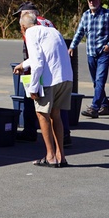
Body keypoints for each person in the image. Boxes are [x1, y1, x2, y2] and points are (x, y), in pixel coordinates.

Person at [15, 11, 73, 167]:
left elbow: (38, 62)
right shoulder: (52, 31)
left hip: (50, 80)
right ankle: (61, 156)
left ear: (23, 26)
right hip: (66, 78)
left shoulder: (31, 32)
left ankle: (50, 156)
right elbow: (46, 54)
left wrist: (33, 87)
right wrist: (24, 64)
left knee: (42, 114)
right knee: (56, 115)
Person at [69, 0, 109, 119]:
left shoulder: (107, 14)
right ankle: (105, 105)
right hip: (90, 53)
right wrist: (72, 46)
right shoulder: (86, 15)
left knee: (100, 80)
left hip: (104, 53)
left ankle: (94, 107)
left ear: (99, 0)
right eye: (89, 0)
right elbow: (80, 32)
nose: (91, 2)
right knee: (95, 82)